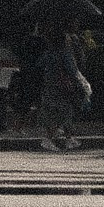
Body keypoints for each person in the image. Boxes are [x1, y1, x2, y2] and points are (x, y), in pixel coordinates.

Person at [36, 21, 90, 151]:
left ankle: (64, 137)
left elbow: (39, 64)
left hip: (50, 83)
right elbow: (73, 71)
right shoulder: (66, 54)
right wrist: (82, 85)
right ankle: (57, 138)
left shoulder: (49, 53)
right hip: (63, 86)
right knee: (65, 111)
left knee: (51, 111)